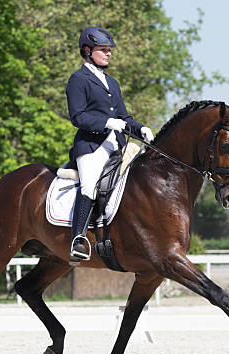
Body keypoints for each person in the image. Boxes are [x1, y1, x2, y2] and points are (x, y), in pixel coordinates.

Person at [65, 26, 154, 265]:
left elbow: (124, 118)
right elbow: (78, 117)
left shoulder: (112, 83)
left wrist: (140, 128)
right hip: (92, 146)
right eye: (103, 50)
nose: (108, 54)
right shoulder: (78, 80)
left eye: (109, 50)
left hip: (118, 146)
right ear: (87, 50)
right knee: (90, 185)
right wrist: (106, 122)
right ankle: (78, 239)